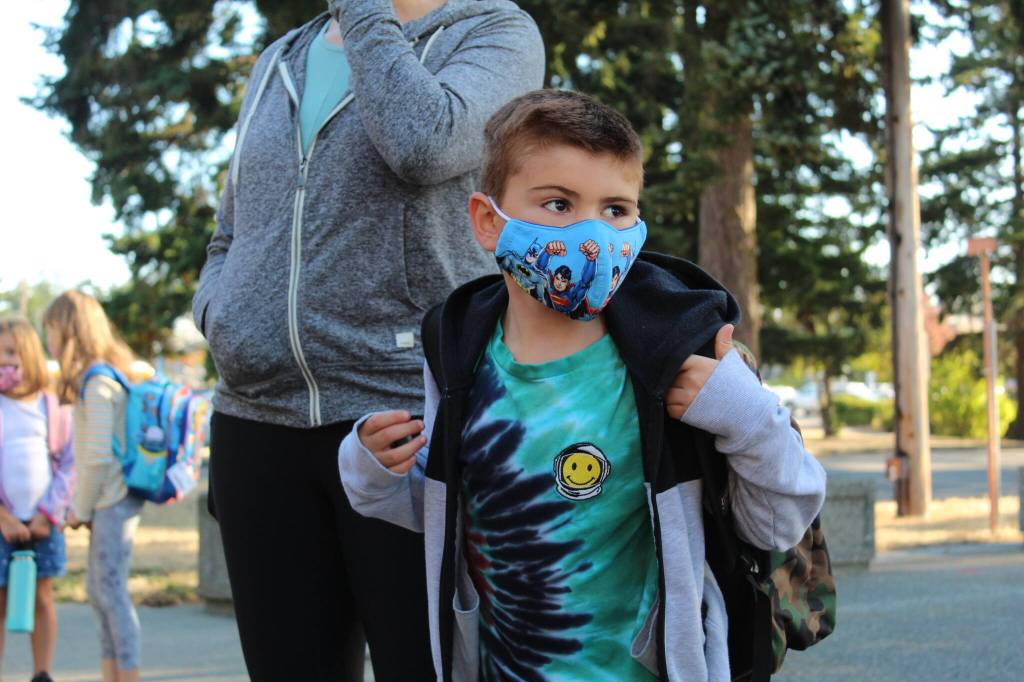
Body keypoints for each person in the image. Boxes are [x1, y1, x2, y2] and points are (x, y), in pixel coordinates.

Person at [338, 90, 828, 680]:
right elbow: (459, 507)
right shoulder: (458, 351)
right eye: (558, 203)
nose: (591, 233)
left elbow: (775, 524)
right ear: (490, 222)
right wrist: (372, 472)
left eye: (616, 210)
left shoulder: (682, 356)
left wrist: (749, 418)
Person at [192, 0, 543, 678]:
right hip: (255, 423)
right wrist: (223, 316)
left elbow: (426, 143)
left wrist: (362, 11)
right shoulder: (279, 61)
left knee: (427, 665)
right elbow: (232, 229)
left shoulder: (495, 31)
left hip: (406, 417)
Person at [43, 292, 142, 682]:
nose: (47, 339)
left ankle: (126, 676)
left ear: (68, 332)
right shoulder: (94, 379)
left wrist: (79, 509)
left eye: (50, 330)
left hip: (112, 502)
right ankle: (111, 674)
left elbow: (98, 457)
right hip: (107, 503)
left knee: (112, 597)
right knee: (101, 597)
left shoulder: (98, 382)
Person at [0, 319, 73, 682]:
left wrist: (49, 513)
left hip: (44, 519)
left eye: (10, 353)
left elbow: (68, 463)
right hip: (3, 521)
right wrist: (3, 517)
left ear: (29, 355)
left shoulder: (51, 403)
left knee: (42, 597)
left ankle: (42, 673)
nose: (3, 361)